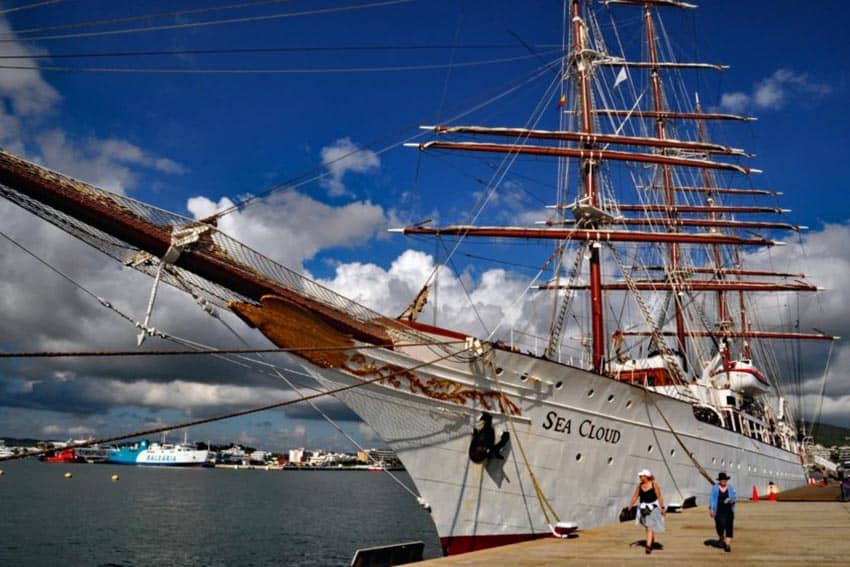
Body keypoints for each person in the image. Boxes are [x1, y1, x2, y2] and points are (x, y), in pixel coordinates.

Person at [628, 469, 666, 554]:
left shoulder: (654, 485)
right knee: (647, 526)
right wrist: (630, 505)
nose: (640, 477)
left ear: (647, 476)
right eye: (640, 476)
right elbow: (635, 496)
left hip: (653, 507)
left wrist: (662, 508)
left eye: (641, 476)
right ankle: (651, 540)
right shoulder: (639, 486)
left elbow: (659, 497)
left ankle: (648, 546)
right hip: (643, 507)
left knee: (650, 526)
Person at [709, 472, 737, 552]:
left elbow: (734, 498)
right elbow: (712, 499)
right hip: (718, 511)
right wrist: (711, 509)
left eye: (725, 480)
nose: (724, 481)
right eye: (722, 480)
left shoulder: (730, 488)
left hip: (729, 511)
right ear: (720, 480)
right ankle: (721, 538)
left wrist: (730, 500)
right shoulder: (715, 488)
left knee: (729, 527)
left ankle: (727, 545)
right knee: (719, 526)